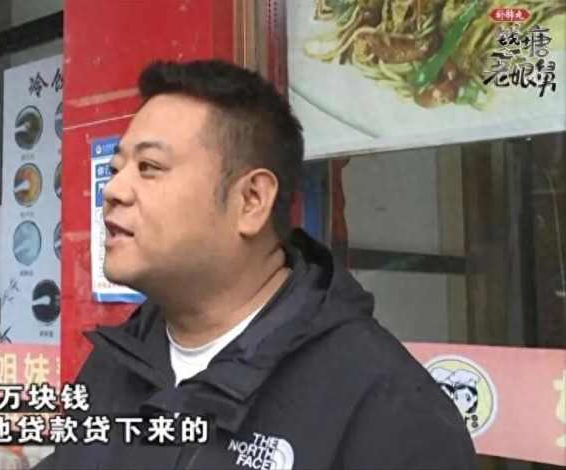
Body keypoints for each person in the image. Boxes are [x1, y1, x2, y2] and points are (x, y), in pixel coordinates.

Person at [36, 60, 476, 469]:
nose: (113, 190)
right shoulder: (116, 363)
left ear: (251, 200)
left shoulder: (387, 409)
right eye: (117, 168)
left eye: (149, 167)